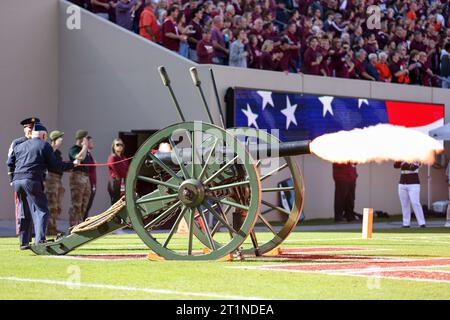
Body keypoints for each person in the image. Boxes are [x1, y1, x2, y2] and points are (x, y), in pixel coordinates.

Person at [6, 123, 77, 249]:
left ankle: (24, 242)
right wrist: (72, 164)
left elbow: (10, 162)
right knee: (41, 210)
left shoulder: (20, 145)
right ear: (43, 135)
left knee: (24, 211)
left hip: (17, 180)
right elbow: (55, 165)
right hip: (31, 180)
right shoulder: (45, 145)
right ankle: (40, 241)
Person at [7, 117, 40, 239]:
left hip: (34, 180)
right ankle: (22, 232)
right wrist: (11, 179)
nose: (31, 130)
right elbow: (10, 161)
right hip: (21, 179)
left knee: (35, 207)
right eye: (29, 128)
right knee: (21, 208)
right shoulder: (17, 142)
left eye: (33, 128)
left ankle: (33, 232)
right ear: (24, 129)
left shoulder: (39, 142)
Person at [44, 131, 71, 236]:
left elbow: (60, 165)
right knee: (52, 205)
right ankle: (50, 229)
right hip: (51, 179)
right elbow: (54, 165)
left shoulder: (58, 153)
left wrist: (70, 166)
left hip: (58, 179)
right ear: (54, 139)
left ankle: (53, 227)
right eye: (60, 138)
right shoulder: (48, 150)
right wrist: (70, 165)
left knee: (57, 206)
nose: (61, 140)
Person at [68, 130, 92, 227]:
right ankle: (73, 227)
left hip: (86, 177)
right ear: (82, 139)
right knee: (76, 204)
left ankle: (80, 226)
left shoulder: (85, 149)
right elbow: (79, 158)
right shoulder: (74, 149)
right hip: (77, 177)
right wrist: (85, 147)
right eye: (85, 138)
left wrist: (86, 148)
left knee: (84, 204)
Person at [394, 161, 426, 228]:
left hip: (413, 184)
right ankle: (406, 223)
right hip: (402, 184)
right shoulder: (402, 157)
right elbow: (395, 166)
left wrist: (404, 163)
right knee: (404, 204)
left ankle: (422, 223)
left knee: (415, 203)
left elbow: (413, 168)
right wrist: (400, 160)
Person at [107, 138, 130, 204]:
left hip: (124, 182)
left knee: (123, 203)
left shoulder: (124, 158)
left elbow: (128, 169)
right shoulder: (112, 157)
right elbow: (118, 171)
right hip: (115, 183)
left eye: (121, 145)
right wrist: (128, 175)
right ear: (113, 147)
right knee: (115, 203)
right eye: (117, 144)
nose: (120, 146)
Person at [83, 136, 97, 220]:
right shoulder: (86, 155)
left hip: (93, 183)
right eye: (91, 142)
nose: (92, 143)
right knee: (86, 206)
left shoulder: (89, 154)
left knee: (88, 205)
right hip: (89, 183)